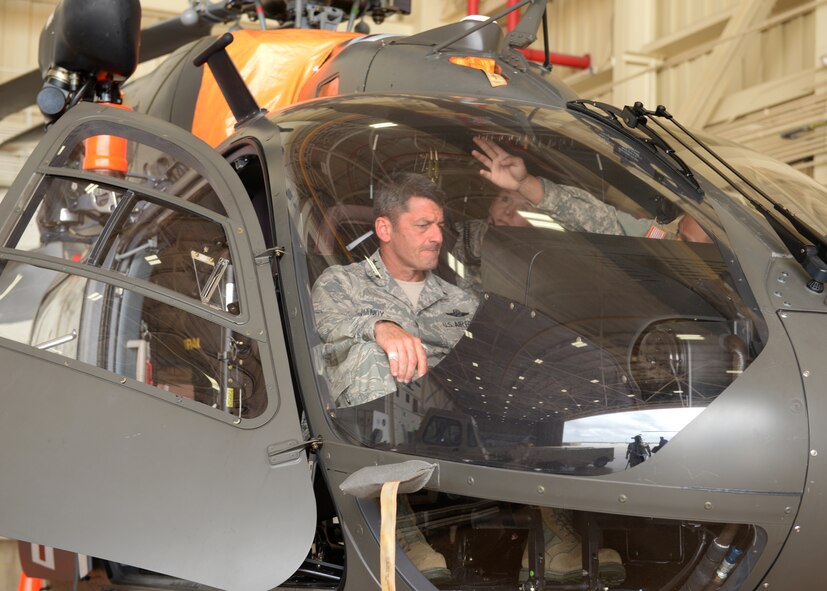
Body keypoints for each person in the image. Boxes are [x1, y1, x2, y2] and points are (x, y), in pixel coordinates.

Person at [312, 172, 625, 585]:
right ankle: (400, 530)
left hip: (456, 416)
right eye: (422, 226)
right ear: (384, 229)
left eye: (439, 226)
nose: (436, 236)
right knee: (371, 355)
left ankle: (553, 532)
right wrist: (381, 328)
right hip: (373, 421)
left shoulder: (459, 299)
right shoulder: (342, 284)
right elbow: (326, 321)